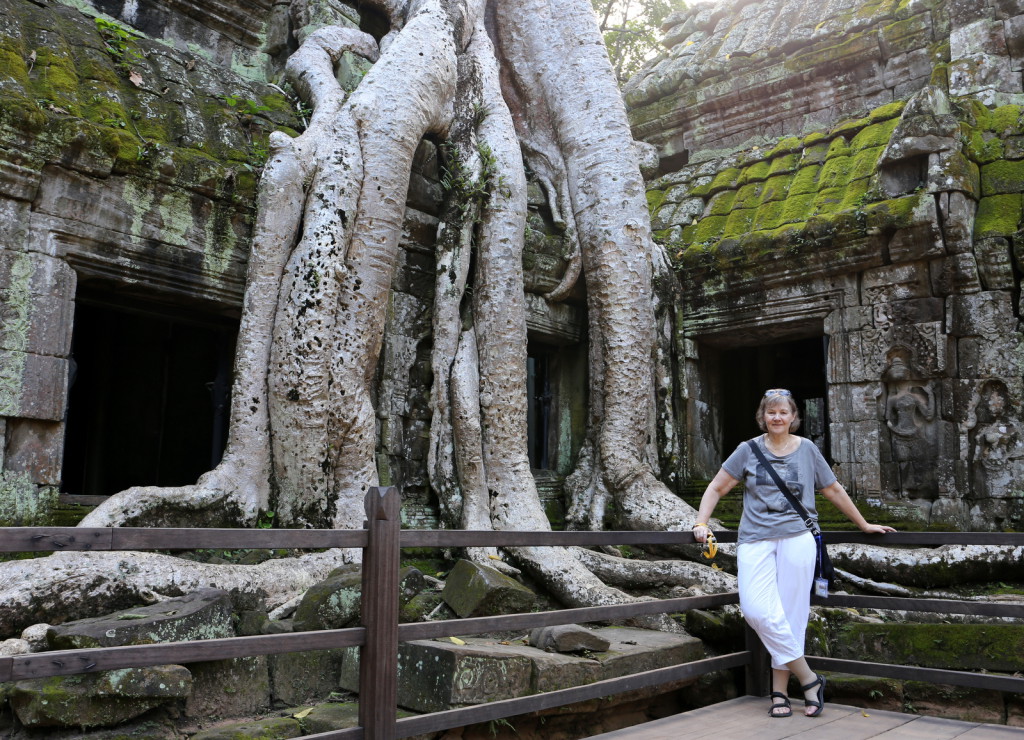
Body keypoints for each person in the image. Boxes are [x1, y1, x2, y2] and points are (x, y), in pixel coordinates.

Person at [692, 388, 895, 718]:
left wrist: (863, 523)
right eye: (771, 412)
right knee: (757, 611)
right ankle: (809, 678)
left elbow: (832, 489)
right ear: (762, 416)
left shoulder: (808, 450)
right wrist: (701, 522)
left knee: (791, 616)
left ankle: (780, 692)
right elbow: (717, 487)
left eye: (783, 412)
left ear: (793, 417)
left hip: (798, 538)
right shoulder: (747, 450)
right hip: (755, 538)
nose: (777, 417)